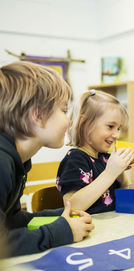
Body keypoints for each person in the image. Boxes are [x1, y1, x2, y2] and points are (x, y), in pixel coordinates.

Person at [0, 61, 94, 257]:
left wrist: (59, 217)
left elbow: (12, 220)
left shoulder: (16, 160)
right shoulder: (2, 162)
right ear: (37, 115)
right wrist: (61, 232)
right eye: (63, 110)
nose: (68, 120)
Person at [56, 89, 134, 214]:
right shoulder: (75, 159)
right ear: (85, 124)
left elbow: (128, 197)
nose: (116, 135)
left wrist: (120, 175)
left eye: (118, 128)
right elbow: (72, 207)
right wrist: (110, 173)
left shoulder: (106, 158)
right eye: (110, 126)